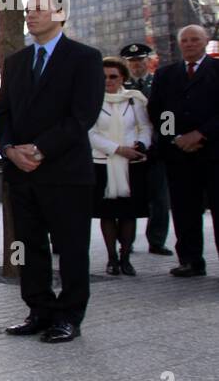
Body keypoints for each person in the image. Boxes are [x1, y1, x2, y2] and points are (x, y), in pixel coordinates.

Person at [0, 0, 103, 344]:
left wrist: (39, 150)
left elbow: (81, 117)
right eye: (28, 9)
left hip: (65, 173)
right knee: (30, 245)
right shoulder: (16, 61)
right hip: (21, 174)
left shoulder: (84, 58)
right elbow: (3, 114)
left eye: (39, 8)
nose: (31, 14)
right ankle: (39, 309)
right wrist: (10, 150)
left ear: (61, 14)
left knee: (71, 247)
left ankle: (70, 316)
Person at [147, 24, 219, 277]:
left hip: (213, 152)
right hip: (179, 155)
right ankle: (190, 260)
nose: (189, 44)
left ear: (205, 41)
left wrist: (201, 134)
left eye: (195, 39)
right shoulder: (165, 74)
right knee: (184, 210)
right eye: (185, 40)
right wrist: (175, 137)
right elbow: (157, 111)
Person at [90, 57, 152, 275]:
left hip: (131, 163)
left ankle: (126, 257)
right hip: (103, 162)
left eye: (113, 76)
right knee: (107, 214)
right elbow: (90, 133)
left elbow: (144, 126)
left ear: (122, 77)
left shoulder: (134, 99)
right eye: (103, 77)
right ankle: (112, 258)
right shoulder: (92, 100)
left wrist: (142, 144)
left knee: (128, 213)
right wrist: (116, 149)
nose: (108, 81)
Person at [122, 42, 172, 255]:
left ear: (147, 61)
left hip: (156, 150)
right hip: (130, 151)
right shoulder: (122, 88)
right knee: (129, 198)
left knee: (160, 199)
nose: (136, 65)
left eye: (139, 61)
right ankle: (127, 241)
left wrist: (166, 141)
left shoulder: (158, 84)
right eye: (132, 62)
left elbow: (167, 115)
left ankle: (157, 241)